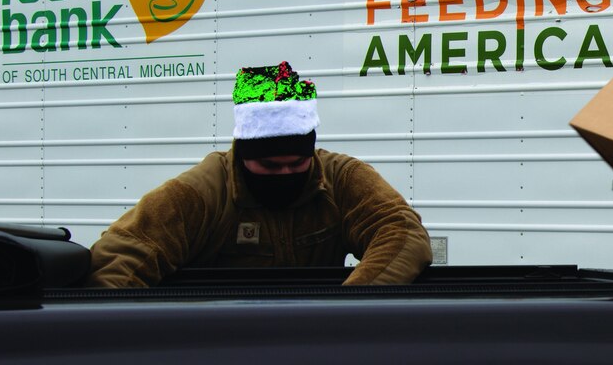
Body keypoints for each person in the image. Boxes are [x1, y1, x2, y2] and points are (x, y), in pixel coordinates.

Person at [86, 61, 432, 287]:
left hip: (316, 340)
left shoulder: (341, 177)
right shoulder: (201, 192)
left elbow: (401, 232)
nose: (285, 173)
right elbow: (119, 258)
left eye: (297, 162)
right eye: (269, 166)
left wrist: (345, 311)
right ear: (242, 154)